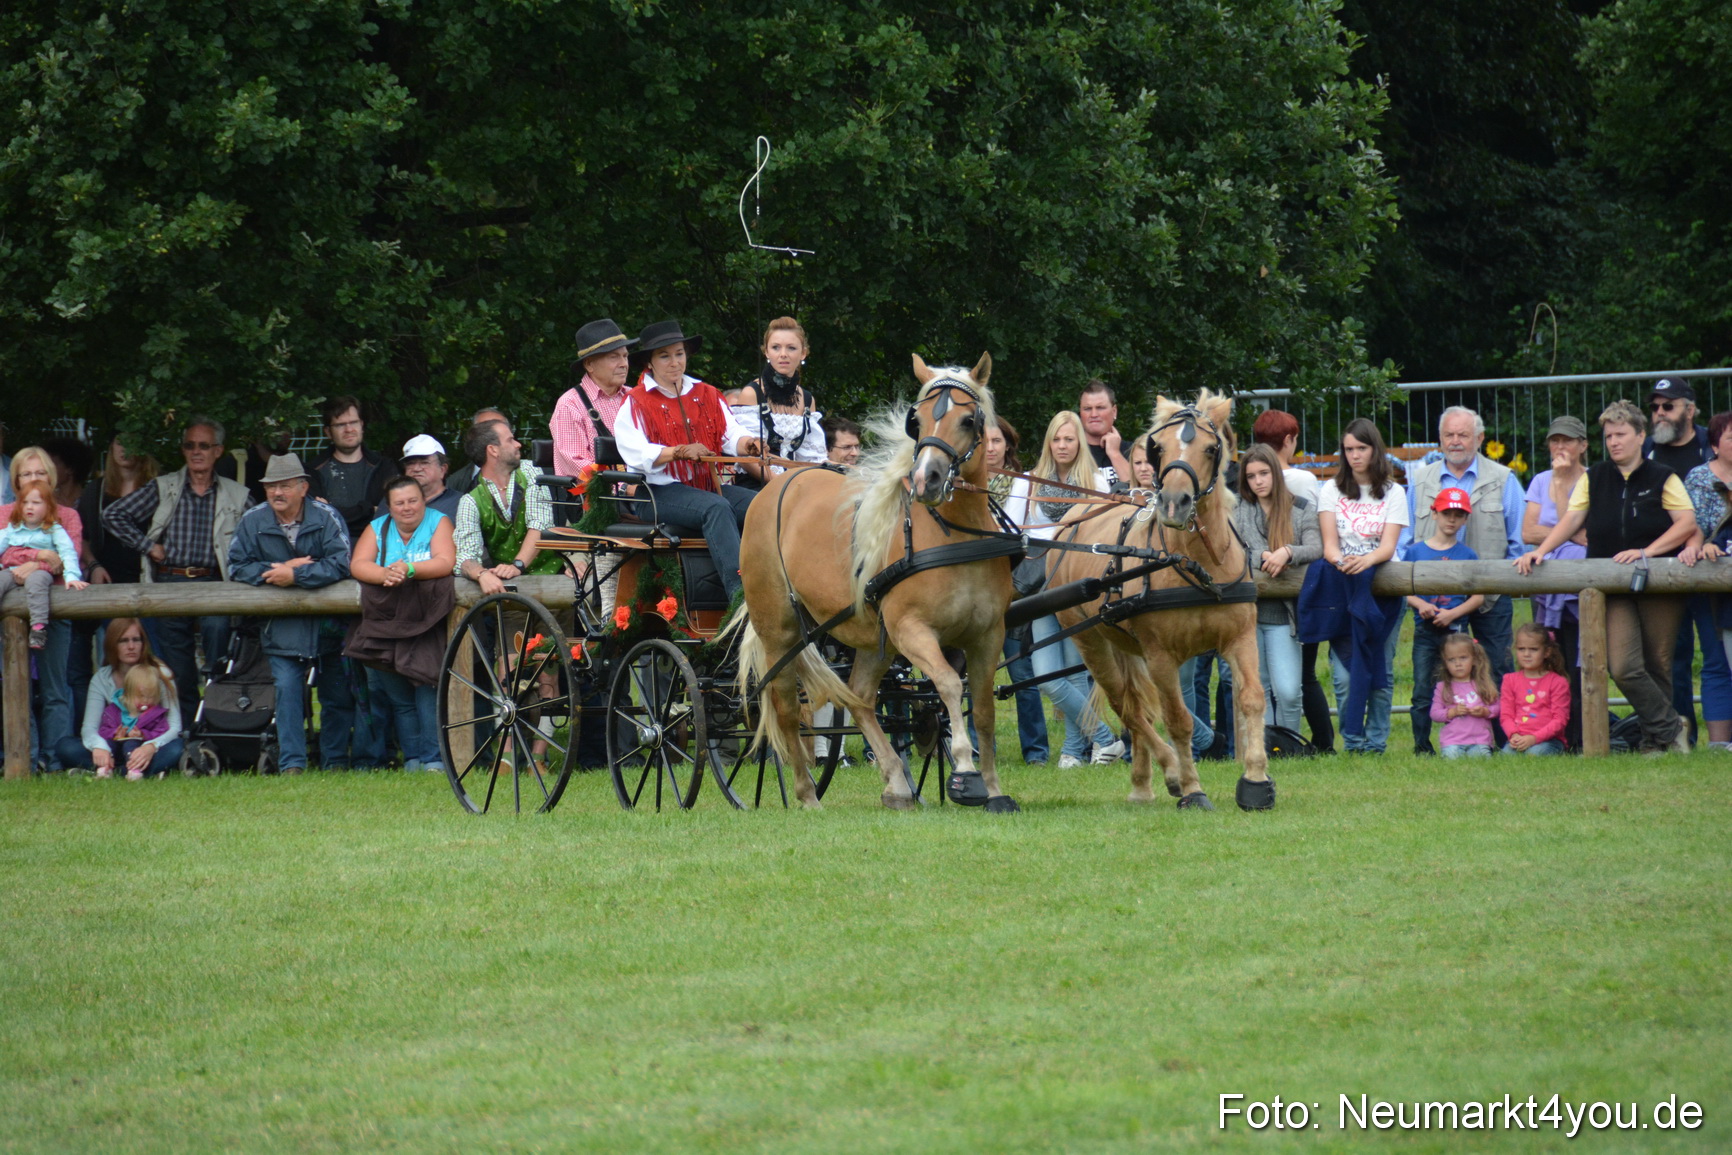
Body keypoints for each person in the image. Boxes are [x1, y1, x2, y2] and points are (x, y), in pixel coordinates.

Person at [1517, 400, 1699, 754]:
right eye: (1609, 435)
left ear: (1640, 436)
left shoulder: (1663, 476)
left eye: (1621, 434)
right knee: (1623, 665)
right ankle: (1670, 725)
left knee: (1657, 664)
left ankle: (1655, 742)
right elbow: (1571, 519)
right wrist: (1542, 550)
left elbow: (1687, 523)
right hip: (1610, 582)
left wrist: (1648, 551)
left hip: (1659, 581)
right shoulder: (1594, 476)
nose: (1614, 442)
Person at [102, 416, 252, 723]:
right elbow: (113, 515)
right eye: (189, 445)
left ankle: (218, 723)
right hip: (169, 581)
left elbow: (259, 529)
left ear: (218, 451)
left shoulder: (236, 494)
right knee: (177, 669)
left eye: (204, 446)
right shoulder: (165, 486)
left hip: (214, 582)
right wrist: (147, 546)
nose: (196, 452)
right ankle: (185, 733)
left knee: (218, 652)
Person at [1003, 411, 1122, 767]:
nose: (1062, 445)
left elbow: (1099, 536)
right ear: (1048, 443)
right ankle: (1104, 738)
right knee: (1046, 676)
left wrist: (1063, 533)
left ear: (1079, 443)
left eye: (1069, 439)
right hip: (1041, 586)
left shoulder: (1097, 482)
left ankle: (1074, 751)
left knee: (1074, 672)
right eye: (1057, 439)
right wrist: (1063, 532)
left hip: (1078, 585)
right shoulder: (1027, 481)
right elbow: (1014, 530)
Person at [611, 320, 763, 600]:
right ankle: (741, 600)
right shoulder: (635, 402)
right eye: (664, 355)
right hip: (656, 493)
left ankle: (776, 588)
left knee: (764, 505)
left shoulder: (707, 394)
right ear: (649, 362)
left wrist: (749, 443)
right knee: (716, 508)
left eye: (679, 353)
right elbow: (637, 454)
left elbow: (732, 436)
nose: (674, 362)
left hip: (704, 486)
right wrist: (679, 451)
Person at [227, 454, 353, 773]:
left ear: (303, 488)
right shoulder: (253, 519)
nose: (277, 493)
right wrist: (280, 569)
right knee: (286, 692)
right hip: (280, 626)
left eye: (284, 486)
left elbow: (342, 563)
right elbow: (236, 566)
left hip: (329, 624)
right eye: (271, 486)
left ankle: (335, 761)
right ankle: (292, 765)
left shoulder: (327, 516)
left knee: (336, 694)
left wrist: (297, 577)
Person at [1400, 407, 1525, 704]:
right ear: (1440, 439)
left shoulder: (1504, 479)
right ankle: (1441, 741)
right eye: (1449, 435)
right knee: (1431, 675)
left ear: (1480, 438)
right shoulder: (1420, 481)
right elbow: (1406, 539)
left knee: (1497, 666)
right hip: (1435, 602)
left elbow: (1518, 541)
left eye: (1463, 435)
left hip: (1489, 595)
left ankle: (1504, 738)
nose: (1455, 441)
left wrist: (1506, 582)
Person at [1309, 417, 1408, 754]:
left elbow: (1388, 547)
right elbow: (1329, 545)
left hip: (1384, 592)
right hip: (1341, 589)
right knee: (1343, 673)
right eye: (1348, 449)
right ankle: (1352, 741)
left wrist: (1365, 561)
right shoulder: (1331, 490)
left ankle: (1376, 743)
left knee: (1380, 668)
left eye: (1361, 448)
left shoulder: (1394, 492)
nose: (1354, 455)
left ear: (1374, 449)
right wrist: (1342, 562)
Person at [350, 475, 456, 773]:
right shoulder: (377, 526)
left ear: (423, 501)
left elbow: (446, 561)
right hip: (387, 624)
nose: (407, 508)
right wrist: (383, 575)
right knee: (399, 697)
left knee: (426, 687)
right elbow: (359, 564)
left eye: (413, 501)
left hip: (427, 623)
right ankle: (412, 759)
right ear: (389, 506)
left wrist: (410, 569)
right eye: (399, 503)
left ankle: (433, 760)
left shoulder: (440, 521)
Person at [1232, 445, 1322, 736]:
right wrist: (1260, 556)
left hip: (1284, 615)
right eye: (1251, 476)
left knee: (1288, 691)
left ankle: (1289, 745)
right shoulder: (1237, 509)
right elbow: (1229, 549)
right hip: (1247, 615)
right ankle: (1266, 746)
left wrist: (1287, 552)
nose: (1258, 481)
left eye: (1264, 473)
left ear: (1276, 473)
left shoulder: (1302, 508)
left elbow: (1317, 547)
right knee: (1258, 688)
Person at [1400, 488, 1487, 756]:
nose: (1451, 520)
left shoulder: (1468, 554)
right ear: (1434, 514)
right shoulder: (1415, 552)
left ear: (1464, 520)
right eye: (1446, 513)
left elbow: (1478, 596)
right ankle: (1422, 746)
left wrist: (1454, 612)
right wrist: (1422, 605)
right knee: (1423, 688)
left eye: (1458, 515)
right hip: (1425, 629)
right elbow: (1402, 589)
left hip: (1457, 630)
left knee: (1464, 685)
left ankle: (1467, 739)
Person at [1523, 416, 1590, 750]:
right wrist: (1570, 535)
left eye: (1568, 441)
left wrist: (1564, 485)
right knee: (1553, 662)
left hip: (1582, 588)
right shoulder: (1539, 480)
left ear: (1583, 446)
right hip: (1546, 584)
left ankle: (1582, 739)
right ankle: (1553, 738)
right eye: (1554, 441)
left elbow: (1592, 536)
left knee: (1582, 664)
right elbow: (1528, 532)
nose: (1560, 447)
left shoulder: (1595, 480)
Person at [985, 416, 1049, 765]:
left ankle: (1036, 753)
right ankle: (983, 750)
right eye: (985, 441)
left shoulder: (1025, 485)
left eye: (997, 441)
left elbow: (1037, 534)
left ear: (1007, 444)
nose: (991, 448)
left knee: (1023, 674)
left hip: (1016, 590)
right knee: (976, 678)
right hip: (979, 593)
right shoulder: (967, 485)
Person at [59, 619, 183, 778]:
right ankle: (134, 772)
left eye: (136, 640)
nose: (131, 646)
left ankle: (113, 772)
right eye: (123, 641)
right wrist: (100, 747)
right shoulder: (102, 678)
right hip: (113, 747)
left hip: (147, 745)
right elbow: (89, 727)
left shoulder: (161, 672)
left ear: (143, 644)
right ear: (112, 645)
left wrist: (150, 747)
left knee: (177, 748)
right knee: (66, 747)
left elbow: (175, 727)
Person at [1675, 408, 1732, 750]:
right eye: (1731, 437)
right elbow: (1691, 524)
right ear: (1714, 445)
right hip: (1709, 578)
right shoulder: (1697, 478)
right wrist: (1702, 547)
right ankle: (1720, 743)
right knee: (1715, 660)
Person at [732, 317, 828, 487]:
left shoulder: (807, 400)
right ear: (767, 353)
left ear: (803, 353)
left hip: (796, 484)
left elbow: (812, 458)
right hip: (757, 484)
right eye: (776, 347)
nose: (783, 354)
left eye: (791, 348)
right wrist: (781, 485)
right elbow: (746, 456)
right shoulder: (751, 393)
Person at [0, 482, 87, 648]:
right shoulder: (13, 529)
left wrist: (72, 577)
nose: (29, 507)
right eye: (24, 502)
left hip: (40, 571)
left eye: (36, 502)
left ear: (48, 506)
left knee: (37, 583)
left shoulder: (54, 529)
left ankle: (38, 627)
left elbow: (67, 553)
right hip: (14, 571)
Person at [552, 318, 638, 479]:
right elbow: (578, 466)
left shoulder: (636, 397)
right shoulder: (570, 404)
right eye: (614, 357)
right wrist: (624, 487)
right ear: (590, 364)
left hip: (642, 491)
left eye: (625, 356)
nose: (624, 364)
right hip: (597, 500)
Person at [1499, 623, 1571, 756]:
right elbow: (1506, 715)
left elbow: (1560, 720)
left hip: (1549, 740)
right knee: (1505, 757)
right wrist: (1513, 734)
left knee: (1534, 754)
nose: (1526, 654)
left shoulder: (1558, 682)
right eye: (1521, 649)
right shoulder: (1509, 680)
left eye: (1533, 649)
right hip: (1519, 739)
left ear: (1547, 652)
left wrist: (1534, 738)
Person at [1429, 633, 1500, 758]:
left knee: (1482, 761)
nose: (1458, 663)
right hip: (1452, 741)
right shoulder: (1442, 686)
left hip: (1480, 741)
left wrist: (1485, 711)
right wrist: (1452, 712)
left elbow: (1498, 707)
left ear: (1474, 659)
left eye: (1463, 658)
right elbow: (1434, 713)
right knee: (1452, 762)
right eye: (1451, 660)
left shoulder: (1483, 684)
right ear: (1445, 663)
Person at [99, 665, 173, 781]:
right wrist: (114, 733)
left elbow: (161, 730)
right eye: (142, 696)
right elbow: (102, 731)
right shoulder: (114, 710)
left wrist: (143, 735)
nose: (146, 701)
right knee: (107, 745)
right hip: (116, 752)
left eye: (151, 697)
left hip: (141, 752)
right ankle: (106, 768)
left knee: (131, 743)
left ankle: (133, 770)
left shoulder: (156, 714)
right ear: (128, 694)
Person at [1251, 408, 1320, 505]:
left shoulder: (1251, 479)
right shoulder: (1303, 479)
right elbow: (1312, 515)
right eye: (1295, 438)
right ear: (1287, 440)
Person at [1645, 376, 1710, 476]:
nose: (1660, 412)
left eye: (1668, 406)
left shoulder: (1712, 445)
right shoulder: (1644, 450)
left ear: (1689, 411)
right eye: (1654, 407)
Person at [391, 435, 462, 520]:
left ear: (442, 470)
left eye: (424, 462)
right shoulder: (393, 499)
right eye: (410, 463)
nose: (416, 469)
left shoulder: (461, 504)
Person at [1077, 379, 1132, 487]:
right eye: (1087, 409)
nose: (1093, 414)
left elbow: (1141, 493)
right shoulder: (1071, 452)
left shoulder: (1134, 451)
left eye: (1100, 408)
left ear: (1114, 411)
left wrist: (1115, 454)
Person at [446, 407, 508, 495]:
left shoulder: (529, 476)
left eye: (498, 430)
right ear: (473, 435)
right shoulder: (453, 483)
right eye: (484, 430)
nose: (491, 436)